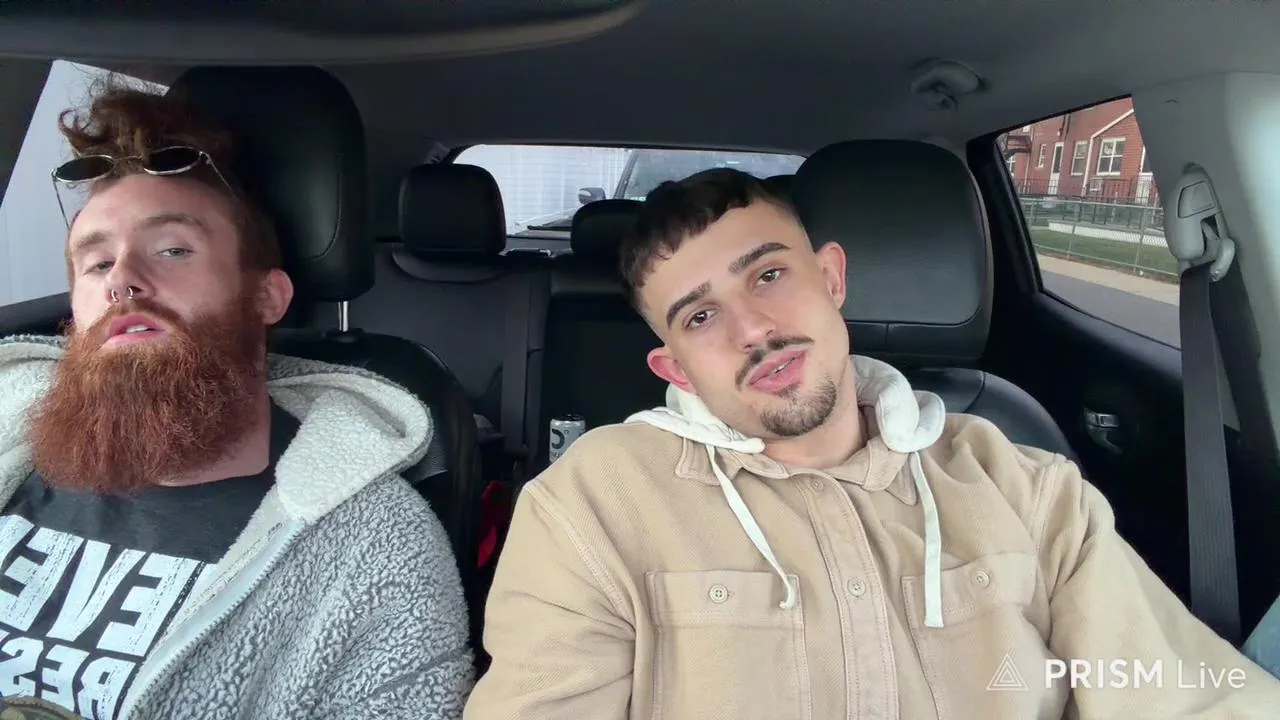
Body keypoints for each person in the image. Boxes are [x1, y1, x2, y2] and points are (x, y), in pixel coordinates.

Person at [464, 167, 1280, 718]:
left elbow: (1185, 696)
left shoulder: (1027, 487)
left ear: (833, 277)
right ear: (674, 368)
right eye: (702, 315)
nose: (754, 329)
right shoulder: (591, 507)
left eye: (768, 274)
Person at [0, 82, 472, 719]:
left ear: (267, 297)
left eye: (173, 250)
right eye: (97, 263)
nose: (123, 280)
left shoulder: (375, 552)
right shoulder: (13, 435)